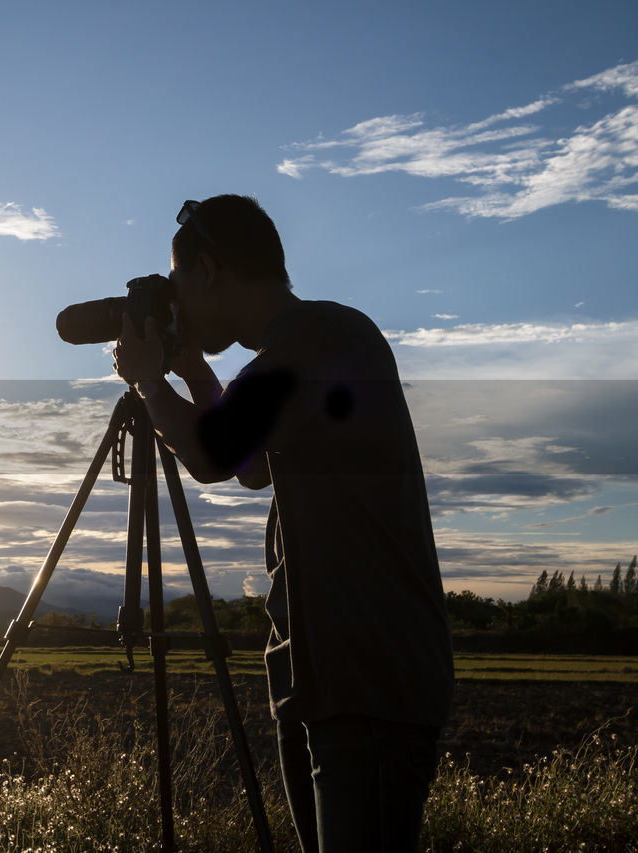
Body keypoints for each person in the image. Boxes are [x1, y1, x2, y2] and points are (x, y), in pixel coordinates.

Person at [112, 194, 454, 852]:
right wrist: (189, 370)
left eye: (179, 282)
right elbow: (250, 465)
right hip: (326, 673)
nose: (177, 302)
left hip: (369, 675)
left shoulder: (320, 339)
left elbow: (214, 454)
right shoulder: (311, 345)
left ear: (208, 269)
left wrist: (153, 385)